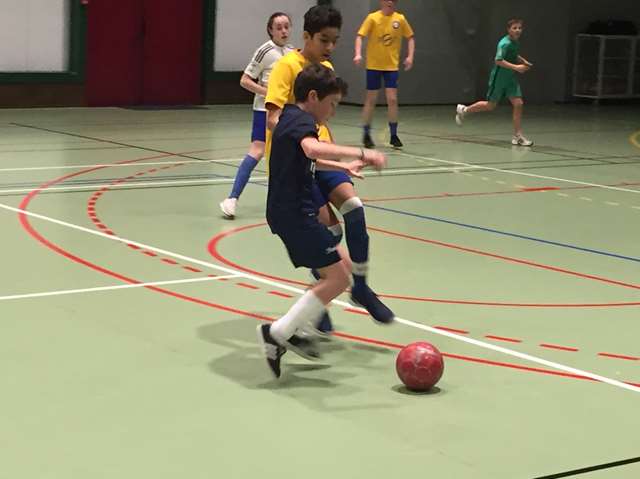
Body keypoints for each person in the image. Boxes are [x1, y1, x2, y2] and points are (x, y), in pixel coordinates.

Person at [265, 5, 395, 336]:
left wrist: (337, 157)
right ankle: (321, 296)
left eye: (335, 41)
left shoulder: (326, 69)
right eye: (324, 40)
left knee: (354, 207)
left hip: (324, 154)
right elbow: (274, 118)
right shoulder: (286, 67)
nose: (330, 47)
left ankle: (360, 287)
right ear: (306, 36)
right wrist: (303, 137)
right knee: (327, 234)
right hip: (299, 160)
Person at [258, 64, 387, 378]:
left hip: (286, 214)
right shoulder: (303, 121)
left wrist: (344, 167)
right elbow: (311, 148)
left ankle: (295, 331)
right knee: (339, 279)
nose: (333, 111)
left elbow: (310, 158)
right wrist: (363, 153)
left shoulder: (290, 117)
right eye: (332, 104)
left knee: (337, 270)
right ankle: (278, 331)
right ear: (313, 97)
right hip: (296, 215)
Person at [220, 12, 294, 219]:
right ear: (270, 30)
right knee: (258, 151)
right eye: (278, 27)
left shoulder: (292, 52)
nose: (284, 31)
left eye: (287, 26)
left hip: (287, 112)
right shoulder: (265, 51)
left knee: (288, 154)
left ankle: (290, 201)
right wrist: (268, 93)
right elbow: (245, 80)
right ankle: (232, 199)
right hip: (264, 110)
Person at [455, 18, 534, 147]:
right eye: (514, 28)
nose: (517, 30)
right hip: (499, 78)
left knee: (518, 103)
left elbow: (513, 55)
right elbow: (498, 60)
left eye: (519, 28)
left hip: (510, 79)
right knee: (490, 106)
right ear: (508, 30)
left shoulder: (515, 42)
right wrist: (517, 67)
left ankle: (517, 136)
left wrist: (524, 61)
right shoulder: (504, 43)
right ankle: (465, 110)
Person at [354, 0, 415, 149]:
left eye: (393, 0)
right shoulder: (372, 18)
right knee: (371, 99)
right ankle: (366, 134)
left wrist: (410, 57)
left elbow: (410, 37)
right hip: (373, 66)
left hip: (391, 67)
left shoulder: (400, 19)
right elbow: (360, 36)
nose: (390, 2)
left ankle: (394, 135)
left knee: (392, 99)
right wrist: (358, 54)